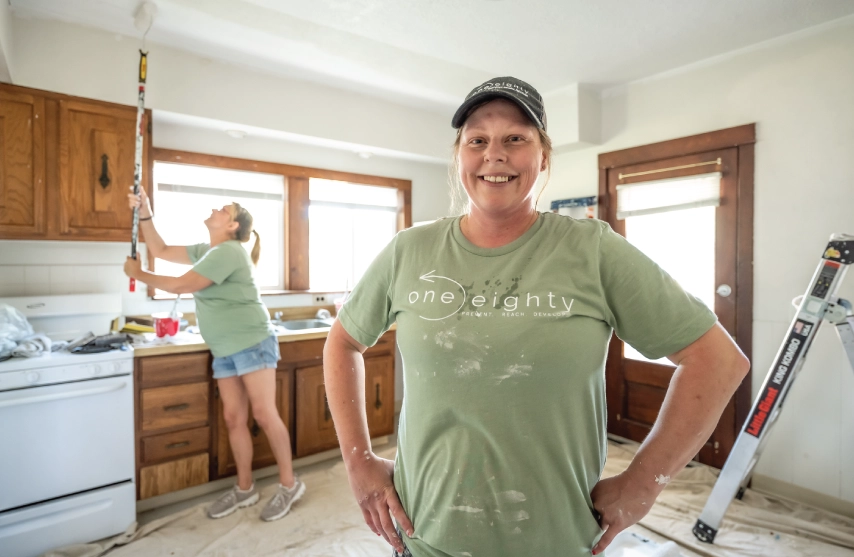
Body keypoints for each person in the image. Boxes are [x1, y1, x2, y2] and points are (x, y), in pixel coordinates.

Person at [322, 76, 750, 556]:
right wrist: (358, 463)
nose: (494, 154)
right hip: (427, 533)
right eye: (477, 140)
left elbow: (717, 360)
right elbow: (342, 342)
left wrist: (643, 482)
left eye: (515, 139)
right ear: (459, 156)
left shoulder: (592, 250)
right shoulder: (409, 251)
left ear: (543, 157)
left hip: (557, 537)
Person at [124, 188, 305, 522]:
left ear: (233, 226)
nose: (214, 209)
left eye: (223, 209)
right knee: (234, 419)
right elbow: (159, 248)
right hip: (224, 349)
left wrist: (140, 275)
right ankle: (245, 488)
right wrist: (146, 210)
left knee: (264, 415)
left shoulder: (231, 252)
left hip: (252, 341)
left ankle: (289, 485)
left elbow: (182, 285)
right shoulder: (208, 251)